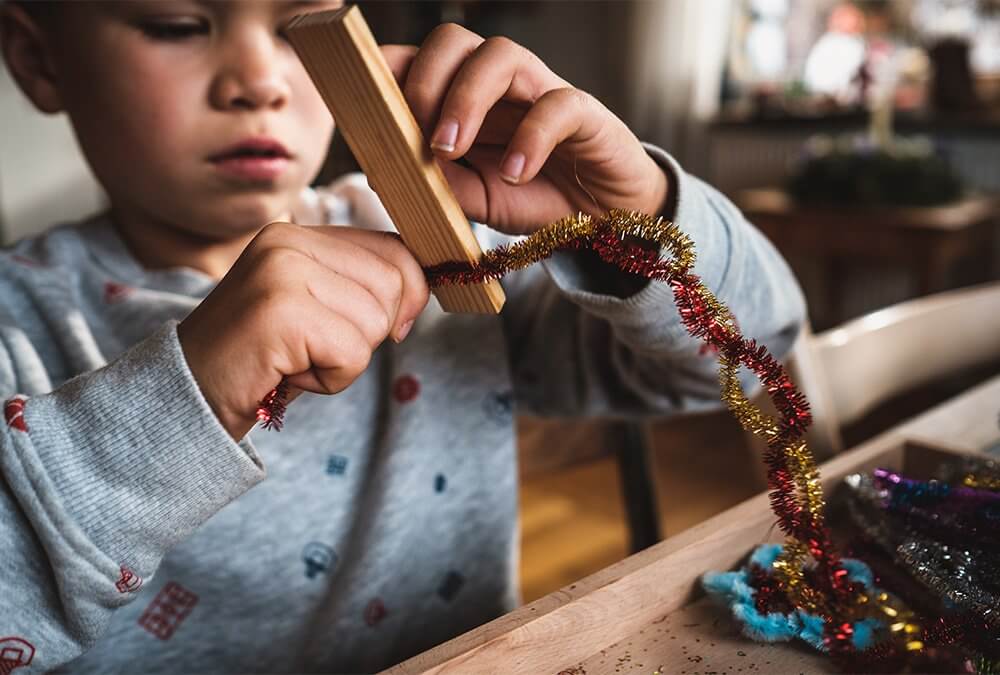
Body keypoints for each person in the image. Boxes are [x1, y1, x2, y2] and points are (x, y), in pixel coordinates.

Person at [0, 1, 806, 672]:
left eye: (295, 27)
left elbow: (752, 357)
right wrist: (191, 391)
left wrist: (637, 224)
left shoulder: (440, 243)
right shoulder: (16, 317)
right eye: (176, 24)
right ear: (39, 60)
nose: (260, 81)